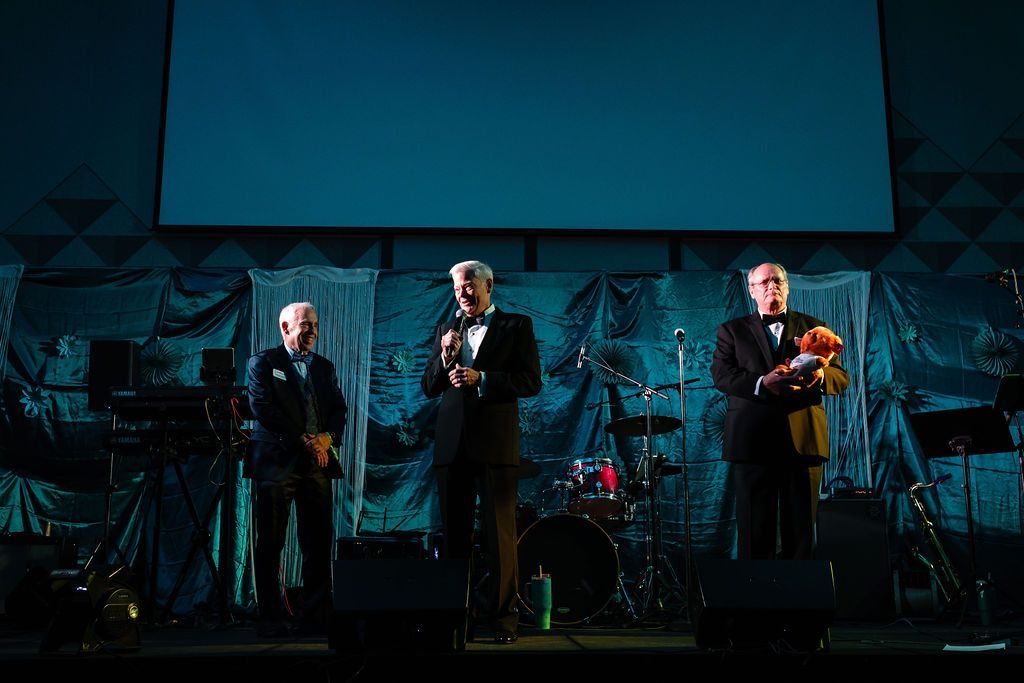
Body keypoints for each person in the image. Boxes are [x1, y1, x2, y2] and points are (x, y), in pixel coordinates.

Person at [421, 261, 542, 644]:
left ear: (488, 285)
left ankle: (504, 621)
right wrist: (446, 357)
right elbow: (429, 386)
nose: (462, 294)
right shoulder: (447, 329)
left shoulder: (516, 326)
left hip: (494, 444)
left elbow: (531, 381)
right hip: (452, 445)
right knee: (455, 539)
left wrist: (483, 378)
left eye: (468, 286)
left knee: (499, 538)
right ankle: (458, 621)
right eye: (457, 288)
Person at [710, 263, 848, 560]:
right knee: (754, 533)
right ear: (752, 290)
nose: (771, 286)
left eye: (777, 281)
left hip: (804, 442)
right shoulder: (732, 330)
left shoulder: (814, 326)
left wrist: (820, 376)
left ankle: (799, 590)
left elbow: (841, 377)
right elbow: (722, 376)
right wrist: (762, 383)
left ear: (787, 287)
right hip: (752, 443)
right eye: (764, 282)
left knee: (800, 535)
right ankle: (756, 589)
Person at [248, 302, 347, 637]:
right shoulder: (263, 363)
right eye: (306, 324)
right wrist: (304, 440)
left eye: (315, 325)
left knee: (318, 542)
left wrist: (327, 438)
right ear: (285, 327)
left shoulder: (324, 366)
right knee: (271, 542)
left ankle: (315, 615)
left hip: (317, 464)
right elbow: (263, 408)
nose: (313, 331)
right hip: (277, 462)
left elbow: (338, 409)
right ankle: (271, 617)